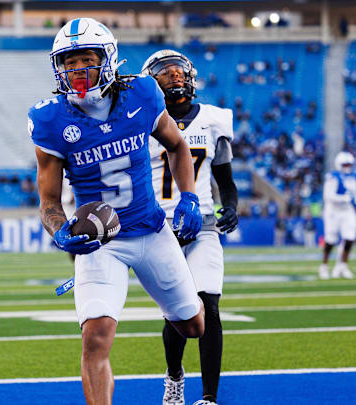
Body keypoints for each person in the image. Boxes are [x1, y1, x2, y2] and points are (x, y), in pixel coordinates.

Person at [29, 18, 205, 405]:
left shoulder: (142, 93)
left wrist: (188, 197)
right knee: (95, 337)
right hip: (101, 243)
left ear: (107, 59)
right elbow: (49, 204)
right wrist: (59, 231)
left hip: (151, 230)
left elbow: (177, 146)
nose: (77, 70)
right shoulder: (50, 120)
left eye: (86, 59)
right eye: (68, 62)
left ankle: (175, 364)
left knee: (193, 325)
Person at [143, 49, 239, 405]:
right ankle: (174, 376)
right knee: (179, 313)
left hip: (202, 227)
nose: (175, 77)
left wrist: (230, 207)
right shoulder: (143, 121)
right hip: (159, 229)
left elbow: (225, 179)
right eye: (165, 73)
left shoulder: (213, 120)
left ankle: (210, 398)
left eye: (179, 71)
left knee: (209, 305)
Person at [319, 151, 356, 280]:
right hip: (333, 211)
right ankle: (324, 266)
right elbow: (328, 196)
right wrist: (344, 198)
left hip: (347, 210)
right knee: (331, 240)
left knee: (350, 237)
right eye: (344, 164)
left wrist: (355, 199)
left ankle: (343, 266)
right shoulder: (333, 176)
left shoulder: (354, 177)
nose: (347, 166)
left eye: (349, 164)